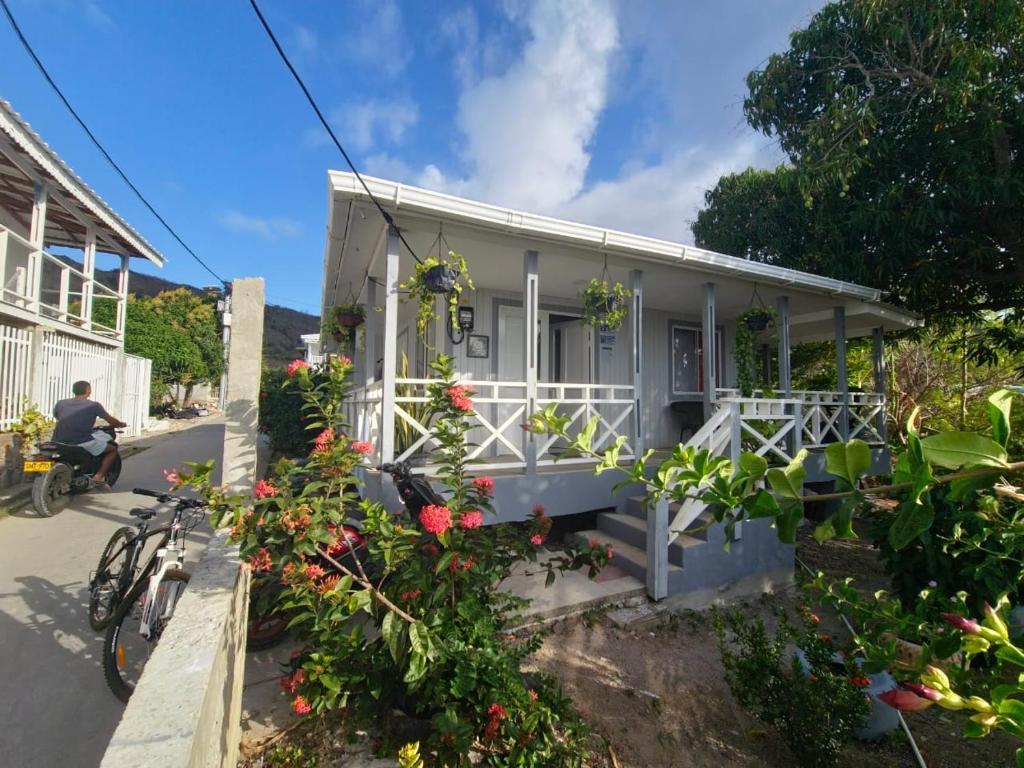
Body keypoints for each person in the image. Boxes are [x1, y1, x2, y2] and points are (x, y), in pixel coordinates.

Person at [52, 380, 126, 486]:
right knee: (113, 449)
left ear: (74, 390)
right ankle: (98, 477)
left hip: (57, 441)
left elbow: (57, 416)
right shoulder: (93, 406)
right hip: (81, 441)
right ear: (88, 390)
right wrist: (119, 424)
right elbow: (110, 420)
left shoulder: (61, 403)